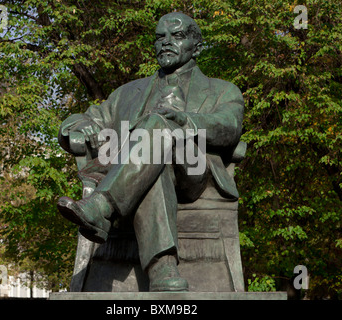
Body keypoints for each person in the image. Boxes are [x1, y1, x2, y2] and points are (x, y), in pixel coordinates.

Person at [57, 12, 244, 292]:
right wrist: (80, 129)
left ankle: (102, 206)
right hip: (143, 176)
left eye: (177, 36)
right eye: (160, 37)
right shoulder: (128, 93)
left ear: (197, 46)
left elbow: (229, 126)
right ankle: (162, 268)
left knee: (157, 124)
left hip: (192, 170)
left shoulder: (222, 90)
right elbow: (81, 119)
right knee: (154, 168)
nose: (166, 42)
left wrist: (186, 121)